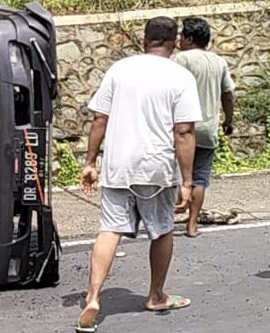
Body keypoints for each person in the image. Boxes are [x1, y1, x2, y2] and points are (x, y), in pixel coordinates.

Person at [74, 17, 201, 333]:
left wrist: (90, 162)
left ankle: (92, 297)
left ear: (145, 40)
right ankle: (156, 295)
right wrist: (187, 181)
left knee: (110, 229)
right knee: (161, 230)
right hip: (156, 168)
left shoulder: (120, 70)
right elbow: (184, 131)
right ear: (175, 42)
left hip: (118, 165)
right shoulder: (180, 76)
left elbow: (100, 119)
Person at [172, 17, 235, 237]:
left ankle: (167, 218)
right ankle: (192, 225)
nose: (179, 39)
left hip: (182, 128)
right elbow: (227, 95)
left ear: (189, 38)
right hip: (208, 128)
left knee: (174, 175)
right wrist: (229, 121)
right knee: (199, 179)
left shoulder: (182, 59)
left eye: (181, 35)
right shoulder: (219, 61)